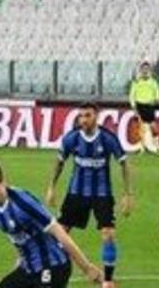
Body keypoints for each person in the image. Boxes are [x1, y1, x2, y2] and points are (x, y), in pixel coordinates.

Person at [0, 160, 103, 288]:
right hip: (28, 269)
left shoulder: (23, 203)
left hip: (53, 267)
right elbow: (18, 238)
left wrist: (87, 268)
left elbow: (59, 232)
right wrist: (16, 274)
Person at [44, 103, 132, 288]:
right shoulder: (72, 138)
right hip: (76, 193)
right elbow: (59, 162)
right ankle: (48, 270)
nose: (83, 120)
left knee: (108, 234)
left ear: (96, 117)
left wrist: (127, 194)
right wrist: (51, 187)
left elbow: (124, 163)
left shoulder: (107, 138)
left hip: (102, 194)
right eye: (81, 116)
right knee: (58, 233)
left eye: (88, 115)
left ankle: (107, 280)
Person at [128, 62, 159, 154]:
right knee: (141, 128)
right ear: (141, 70)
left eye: (147, 69)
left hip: (149, 105)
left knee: (153, 126)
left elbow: (157, 95)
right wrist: (134, 107)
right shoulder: (136, 82)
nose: (145, 71)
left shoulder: (153, 82)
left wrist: (156, 100)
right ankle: (141, 148)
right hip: (139, 105)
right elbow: (132, 95)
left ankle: (157, 146)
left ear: (149, 71)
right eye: (143, 69)